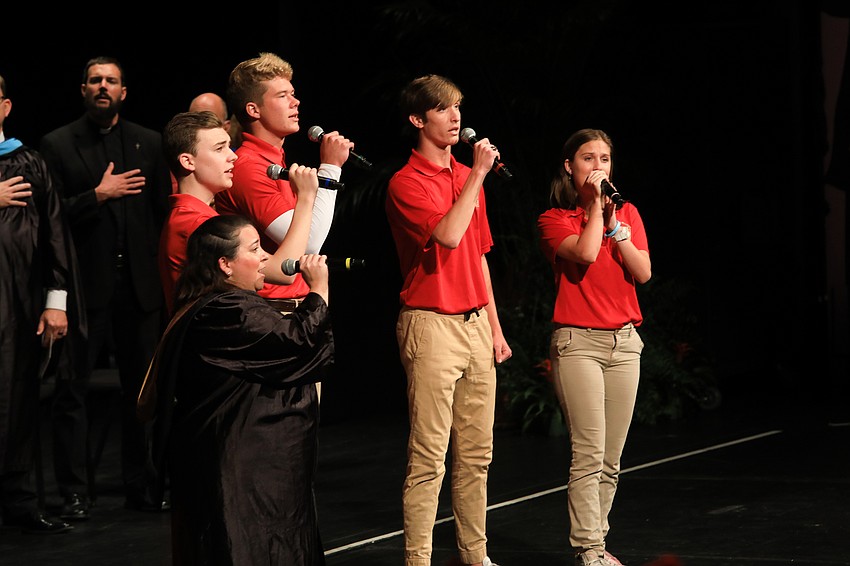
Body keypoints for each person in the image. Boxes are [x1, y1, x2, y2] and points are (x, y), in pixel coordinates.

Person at [138, 214, 334, 566]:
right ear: (225, 264)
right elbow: (298, 343)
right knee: (244, 549)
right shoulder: (227, 311)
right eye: (255, 249)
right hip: (240, 469)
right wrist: (318, 290)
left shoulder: (215, 306)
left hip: (244, 465)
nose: (265, 257)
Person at [384, 74, 512, 566]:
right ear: (418, 119)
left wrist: (495, 329)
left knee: (477, 455)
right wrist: (477, 175)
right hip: (431, 324)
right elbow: (449, 236)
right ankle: (418, 560)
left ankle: (475, 556)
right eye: (442, 108)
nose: (455, 116)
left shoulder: (465, 174)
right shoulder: (406, 182)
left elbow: (478, 255)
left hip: (475, 323)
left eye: (458, 106)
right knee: (429, 456)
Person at [39, 56, 172, 518]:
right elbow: (47, 218)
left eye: (111, 80)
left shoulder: (148, 142)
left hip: (139, 288)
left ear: (123, 92)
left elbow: (162, 214)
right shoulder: (57, 144)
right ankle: (74, 492)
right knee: (71, 391)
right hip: (84, 289)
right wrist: (97, 195)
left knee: (142, 392)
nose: (102, 86)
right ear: (83, 89)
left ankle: (143, 485)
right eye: (95, 80)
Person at [536, 128, 651, 566]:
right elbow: (584, 254)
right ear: (570, 167)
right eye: (588, 158)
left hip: (624, 343)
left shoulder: (628, 213)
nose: (598, 166)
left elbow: (643, 272)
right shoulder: (554, 220)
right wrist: (595, 209)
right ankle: (589, 550)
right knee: (588, 453)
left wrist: (616, 226)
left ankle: (598, 545)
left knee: (611, 459)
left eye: (604, 158)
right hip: (578, 342)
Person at [0, 73, 82, 534]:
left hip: (17, 306)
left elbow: (55, 233)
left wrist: (56, 302)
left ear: (5, 106)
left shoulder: (28, 163)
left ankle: (19, 499)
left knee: (17, 397)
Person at [215, 52, 354, 314]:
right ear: (253, 110)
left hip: (291, 306)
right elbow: (308, 245)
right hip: (270, 310)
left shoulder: (273, 160)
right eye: (282, 96)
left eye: (293, 93)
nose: (295, 102)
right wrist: (331, 168)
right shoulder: (248, 168)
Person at [159, 110, 319, 315]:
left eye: (228, 145)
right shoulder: (194, 222)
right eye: (219, 148)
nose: (232, 156)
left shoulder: (193, 215)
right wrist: (305, 198)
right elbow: (284, 271)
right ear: (188, 161)